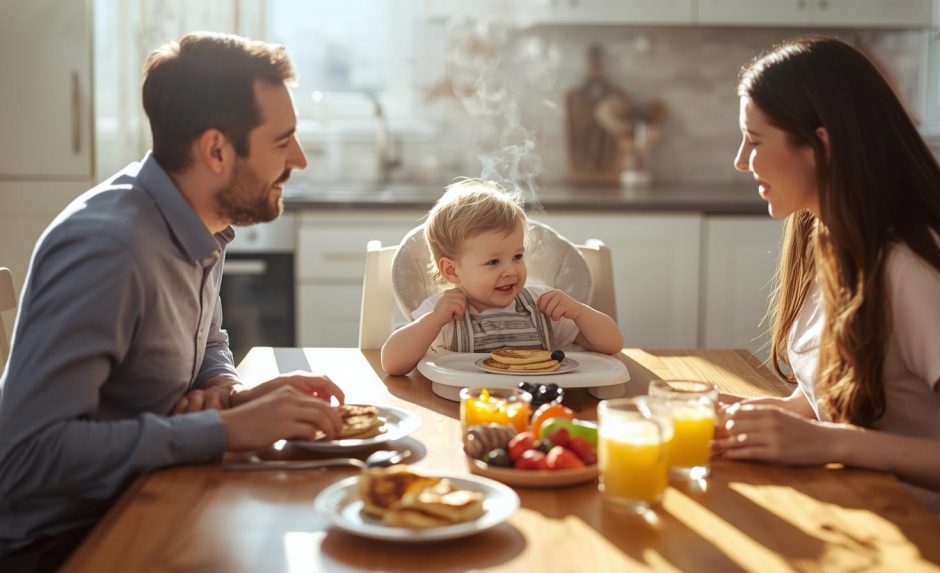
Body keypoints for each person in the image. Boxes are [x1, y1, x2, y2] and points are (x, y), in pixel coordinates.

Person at [0, 32, 349, 569]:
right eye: (282, 142)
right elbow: (25, 456)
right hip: (62, 544)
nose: (299, 160)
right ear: (216, 150)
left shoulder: (201, 220)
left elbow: (205, 338)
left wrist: (226, 389)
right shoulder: (109, 251)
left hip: (148, 495)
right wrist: (223, 431)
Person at [716, 36, 940, 553]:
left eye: (754, 139)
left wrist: (831, 443)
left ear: (820, 145)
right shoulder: (830, 238)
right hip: (877, 524)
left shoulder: (918, 271)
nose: (741, 162)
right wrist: (765, 416)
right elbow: (846, 399)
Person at [381, 179, 624, 376]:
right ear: (452, 271)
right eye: (493, 262)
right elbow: (392, 363)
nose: (510, 270)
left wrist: (579, 312)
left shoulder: (542, 305)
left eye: (517, 256)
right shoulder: (444, 312)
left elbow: (612, 344)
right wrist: (432, 321)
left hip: (537, 405)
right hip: (465, 405)